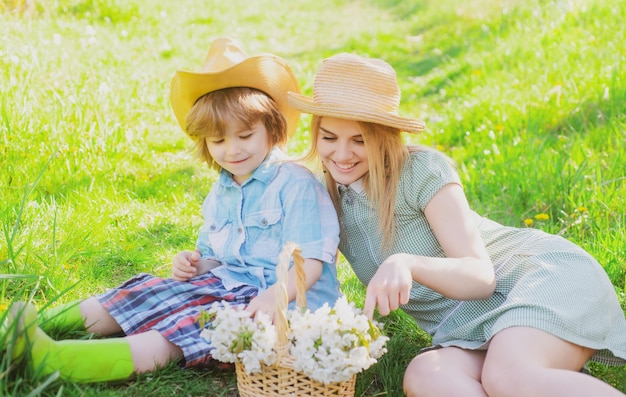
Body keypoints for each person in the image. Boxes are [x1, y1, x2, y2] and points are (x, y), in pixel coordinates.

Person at [287, 53, 626, 397]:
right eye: (329, 138)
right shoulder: (322, 196)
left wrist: (406, 262)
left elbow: (481, 278)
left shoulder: (421, 171)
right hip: (470, 330)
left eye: (359, 140)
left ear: (384, 136)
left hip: (537, 277)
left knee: (507, 378)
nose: (342, 154)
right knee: (425, 376)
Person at [6, 37, 341, 383]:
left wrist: (275, 295)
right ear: (206, 144)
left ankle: (56, 359)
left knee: (187, 326)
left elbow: (311, 261)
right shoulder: (223, 190)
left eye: (245, 135)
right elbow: (214, 257)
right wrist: (195, 264)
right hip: (229, 282)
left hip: (285, 301)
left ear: (272, 129)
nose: (232, 150)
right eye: (219, 140)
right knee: (146, 291)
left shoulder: (295, 183)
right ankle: (30, 325)